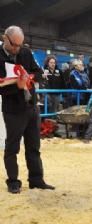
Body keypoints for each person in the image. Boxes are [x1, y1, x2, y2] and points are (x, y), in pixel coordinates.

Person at [0, 26, 55, 193]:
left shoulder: (26, 53)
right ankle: (13, 181)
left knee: (34, 146)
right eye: (14, 45)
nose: (17, 48)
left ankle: (36, 180)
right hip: (13, 109)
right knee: (12, 147)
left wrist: (28, 78)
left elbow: (39, 73)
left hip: (31, 106)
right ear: (5, 38)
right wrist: (16, 86)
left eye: (20, 45)